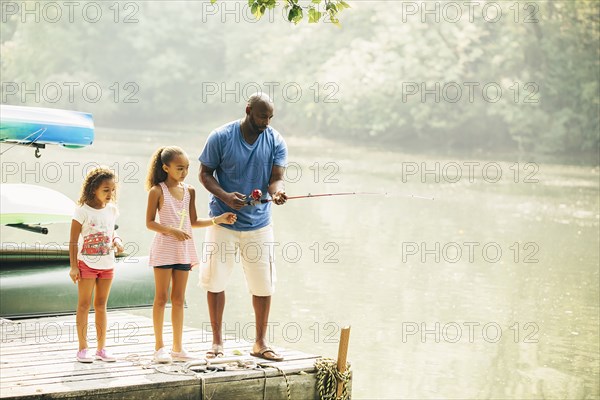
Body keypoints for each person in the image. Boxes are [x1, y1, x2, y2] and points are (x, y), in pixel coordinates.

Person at [199, 92, 288, 361]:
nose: (267, 122)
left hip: (259, 224)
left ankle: (260, 342)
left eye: (270, 117)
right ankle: (216, 343)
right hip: (223, 220)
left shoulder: (275, 140)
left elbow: (276, 179)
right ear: (249, 110)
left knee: (264, 286)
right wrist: (226, 196)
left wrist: (279, 192)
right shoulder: (221, 136)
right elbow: (204, 173)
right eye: (263, 115)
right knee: (215, 281)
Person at [146, 146, 236, 363]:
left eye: (187, 168)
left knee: (178, 299)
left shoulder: (190, 191)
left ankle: (178, 347)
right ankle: (159, 347)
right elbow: (149, 223)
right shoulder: (157, 191)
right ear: (166, 168)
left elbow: (193, 222)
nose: (184, 172)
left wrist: (218, 219)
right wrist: (171, 230)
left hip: (184, 251)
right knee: (161, 298)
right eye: (179, 168)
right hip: (164, 250)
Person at [69, 166, 124, 363]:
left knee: (101, 305)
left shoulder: (112, 210)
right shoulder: (82, 211)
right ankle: (83, 348)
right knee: (84, 305)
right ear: (94, 189)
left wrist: (117, 241)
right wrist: (74, 266)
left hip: (107, 265)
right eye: (105, 190)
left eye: (112, 190)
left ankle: (101, 349)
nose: (110, 194)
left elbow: (111, 230)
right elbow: (74, 241)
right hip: (86, 265)